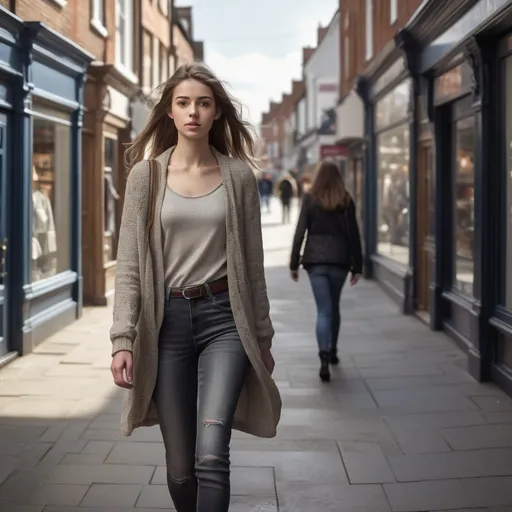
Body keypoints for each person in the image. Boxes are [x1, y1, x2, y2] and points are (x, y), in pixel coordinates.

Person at [109, 62, 281, 512]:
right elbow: (129, 266)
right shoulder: (146, 177)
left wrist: (262, 337)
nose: (193, 112)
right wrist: (123, 339)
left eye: (203, 103)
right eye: (183, 103)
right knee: (181, 467)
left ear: (216, 113)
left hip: (226, 320)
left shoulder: (238, 177)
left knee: (211, 454)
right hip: (166, 326)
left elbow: (254, 266)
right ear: (169, 111)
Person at [289, 160, 363, 382]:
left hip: (315, 260)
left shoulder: (310, 198)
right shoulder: (346, 199)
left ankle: (322, 357)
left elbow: (300, 231)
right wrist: (357, 266)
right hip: (340, 260)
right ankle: (333, 351)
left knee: (323, 310)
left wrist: (294, 263)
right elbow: (353, 234)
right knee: (334, 307)